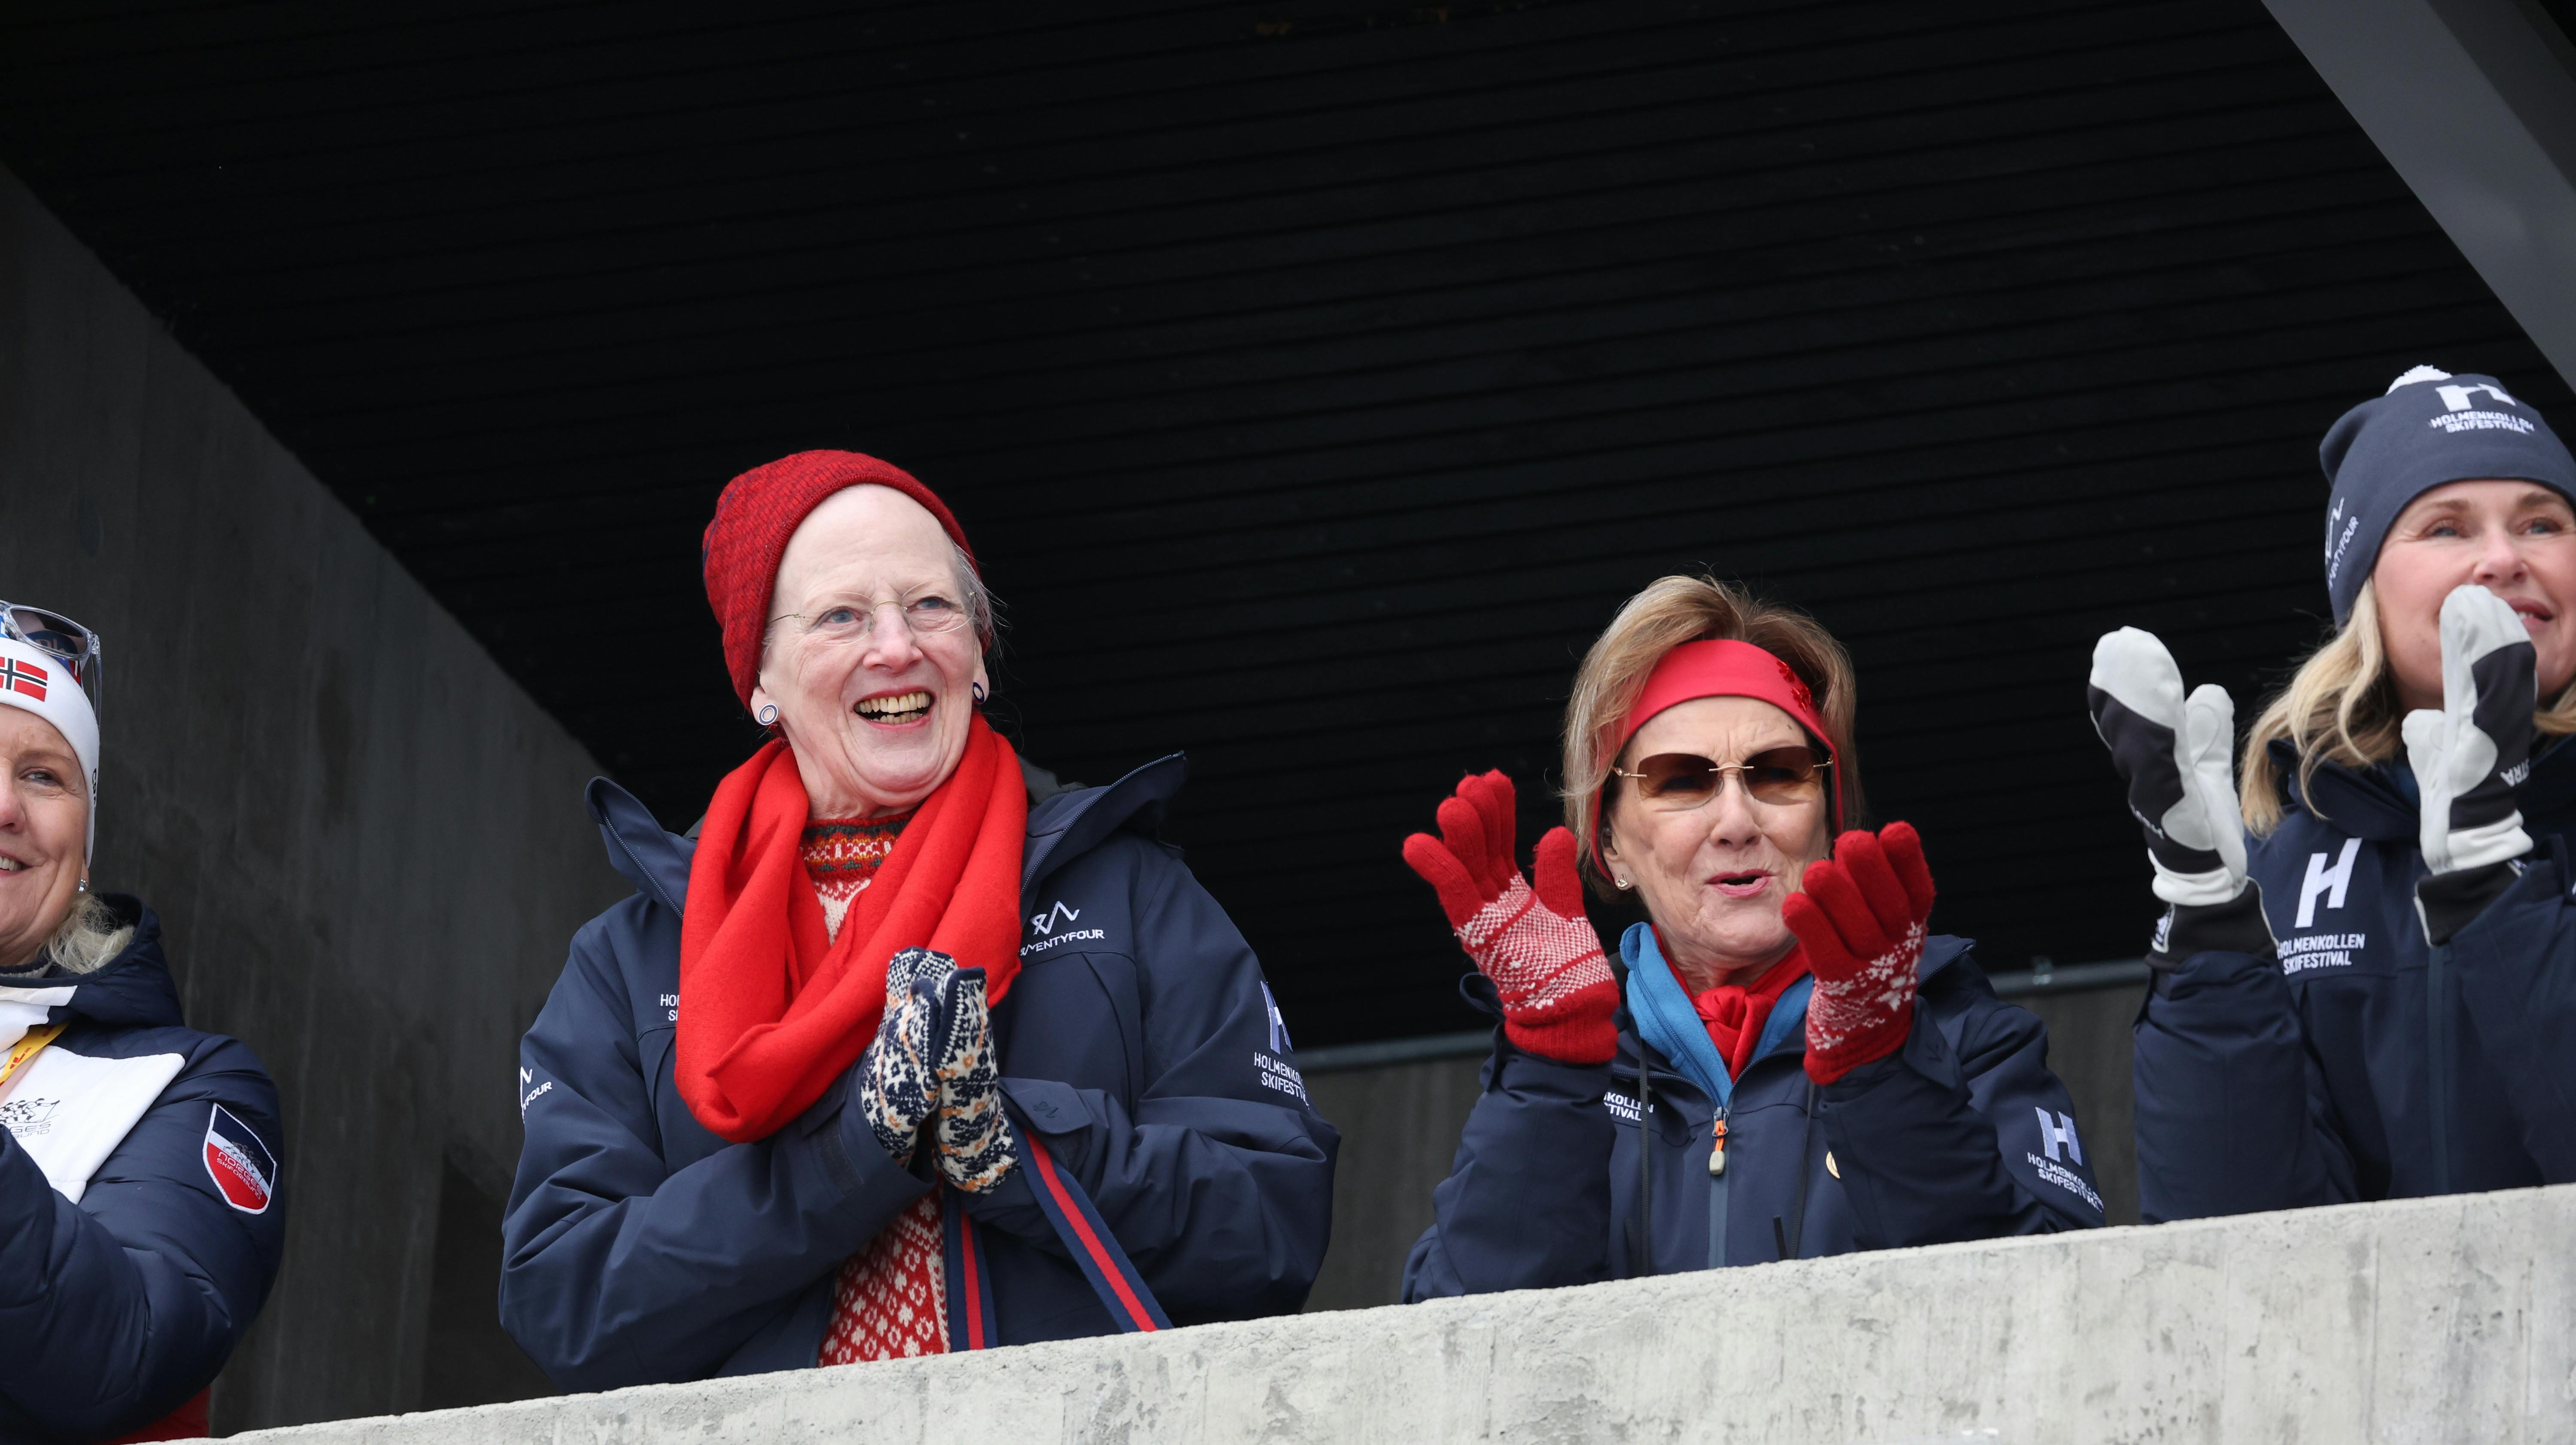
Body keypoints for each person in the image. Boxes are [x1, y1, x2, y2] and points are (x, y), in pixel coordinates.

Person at [501, 450, 1337, 1387]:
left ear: (979, 653)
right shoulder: (630, 961)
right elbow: (561, 1302)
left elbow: (1275, 1226)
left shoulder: (1133, 898)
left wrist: (1018, 1147)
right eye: (841, 617)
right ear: (761, 683)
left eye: (931, 607)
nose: (895, 647)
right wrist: (848, 1158)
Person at [1400, 576, 2102, 1298]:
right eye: (1680, 780)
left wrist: (1882, 1066)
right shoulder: (1561, 1067)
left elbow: (2045, 1313)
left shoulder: (1964, 1037)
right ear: (1609, 843)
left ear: (1830, 816)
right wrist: (1550, 1068)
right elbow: (1452, 1350)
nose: (1737, 821)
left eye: (1777, 773)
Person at [2099, 366, 2576, 1220]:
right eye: (2445, 527)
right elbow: (2233, 1243)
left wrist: (2493, 892)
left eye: (2543, 522)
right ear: (2368, 595)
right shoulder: (2288, 864)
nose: (2505, 558)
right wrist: (2208, 935)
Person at [0, 604, 287, 1442]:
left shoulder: (191, 1086)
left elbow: (124, 1356)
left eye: (44, 776)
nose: (5, 807)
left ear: (85, 845)